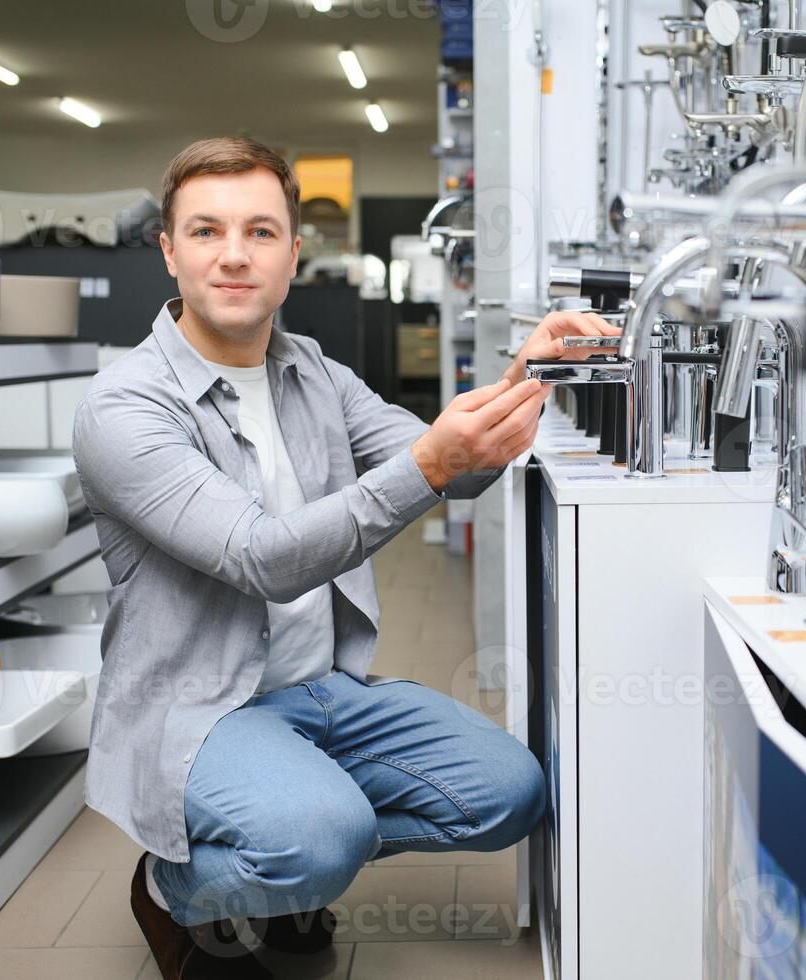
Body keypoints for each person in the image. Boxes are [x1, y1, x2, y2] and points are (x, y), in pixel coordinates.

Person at [71, 137, 616, 979]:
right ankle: (178, 885)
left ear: (294, 253)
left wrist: (527, 373)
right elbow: (259, 558)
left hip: (322, 688)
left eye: (260, 232)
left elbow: (449, 466)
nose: (233, 255)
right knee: (324, 836)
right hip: (197, 708)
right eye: (207, 231)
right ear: (169, 251)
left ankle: (286, 863)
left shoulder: (312, 372)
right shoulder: (122, 407)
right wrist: (429, 468)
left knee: (506, 792)